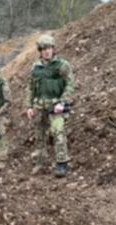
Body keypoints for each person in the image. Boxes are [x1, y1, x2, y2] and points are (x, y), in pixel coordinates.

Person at [26, 34, 75, 177]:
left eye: (49, 48)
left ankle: (62, 164)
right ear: (39, 51)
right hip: (40, 107)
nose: (47, 51)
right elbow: (30, 88)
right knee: (39, 135)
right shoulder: (36, 67)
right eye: (43, 49)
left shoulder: (62, 65)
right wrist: (29, 106)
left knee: (58, 132)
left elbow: (70, 84)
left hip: (56, 106)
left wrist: (63, 102)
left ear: (53, 49)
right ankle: (41, 163)